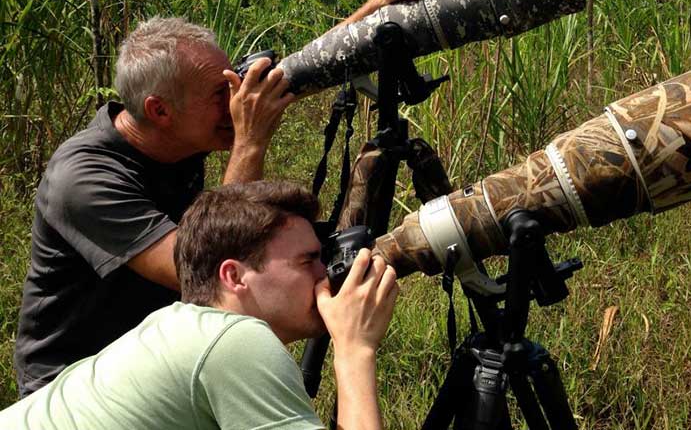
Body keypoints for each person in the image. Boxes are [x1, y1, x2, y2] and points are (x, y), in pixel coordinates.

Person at [14, 0, 472, 396]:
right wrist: (250, 142)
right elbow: (206, 272)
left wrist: (375, 15)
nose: (237, 96)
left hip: (160, 353)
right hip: (78, 387)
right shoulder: (85, 179)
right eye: (221, 91)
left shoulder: (178, 128)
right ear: (160, 110)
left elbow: (289, 75)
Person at [1, 180, 398, 429]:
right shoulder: (234, 341)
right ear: (234, 276)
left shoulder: (178, 328)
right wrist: (354, 350)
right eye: (307, 260)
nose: (324, 274)